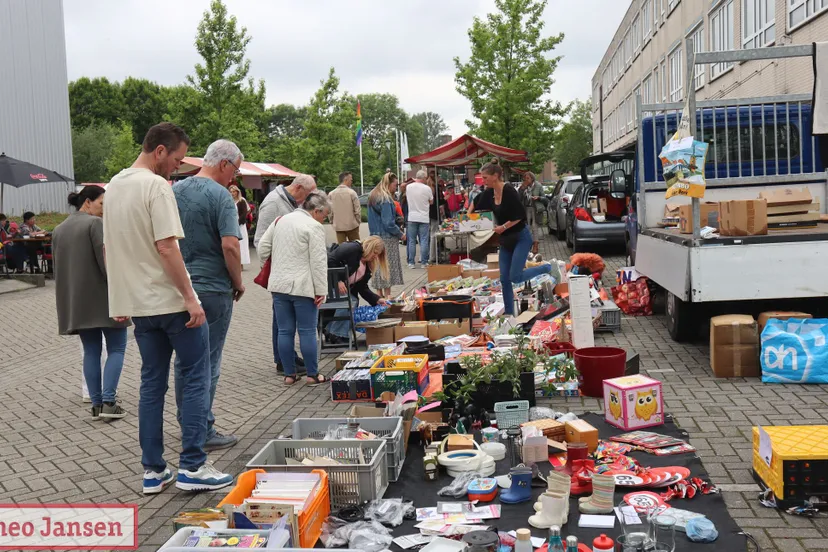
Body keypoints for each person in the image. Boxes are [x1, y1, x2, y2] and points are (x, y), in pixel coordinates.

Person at [103, 122, 233, 494]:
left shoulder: (114, 186)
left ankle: (153, 471)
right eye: (176, 159)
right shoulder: (156, 187)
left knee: (151, 384)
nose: (176, 167)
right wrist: (191, 299)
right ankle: (192, 465)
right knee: (194, 378)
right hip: (173, 304)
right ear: (159, 151)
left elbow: (111, 248)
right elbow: (166, 247)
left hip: (142, 308)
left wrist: (119, 298)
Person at [173, 139, 246, 452]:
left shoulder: (173, 191)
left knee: (183, 362)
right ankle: (202, 428)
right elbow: (230, 245)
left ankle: (187, 422)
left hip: (178, 287)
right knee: (208, 362)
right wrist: (238, 281)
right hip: (213, 288)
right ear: (225, 164)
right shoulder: (221, 196)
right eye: (236, 171)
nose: (235, 178)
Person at [52, 185, 128, 421]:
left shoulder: (59, 229)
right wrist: (123, 292)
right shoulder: (94, 224)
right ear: (87, 202)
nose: (104, 209)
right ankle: (108, 401)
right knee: (116, 348)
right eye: (102, 203)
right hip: (104, 297)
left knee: (91, 351)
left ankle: (96, 404)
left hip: (77, 301)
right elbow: (107, 263)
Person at [257, 191, 330, 386]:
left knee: (284, 331)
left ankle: (289, 375)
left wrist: (275, 266)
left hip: (279, 285)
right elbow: (318, 262)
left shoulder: (280, 220)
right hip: (302, 286)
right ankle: (312, 374)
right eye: (325, 216)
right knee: (306, 331)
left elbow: (263, 247)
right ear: (316, 211)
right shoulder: (313, 227)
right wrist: (321, 290)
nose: (324, 220)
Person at [253, 175, 318, 374]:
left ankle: (288, 359)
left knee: (284, 323)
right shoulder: (273, 203)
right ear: (298, 188)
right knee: (282, 322)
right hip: (283, 275)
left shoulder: (291, 203)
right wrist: (274, 268)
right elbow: (260, 240)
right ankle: (282, 360)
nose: (308, 200)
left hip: (290, 274)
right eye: (308, 195)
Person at [476, 161, 552, 315]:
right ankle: (510, 313)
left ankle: (547, 268)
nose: (483, 181)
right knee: (504, 279)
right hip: (506, 241)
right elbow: (475, 204)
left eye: (485, 178)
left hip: (520, 238)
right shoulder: (489, 192)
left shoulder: (509, 190)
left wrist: (502, 227)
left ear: (495, 176)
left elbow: (519, 216)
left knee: (515, 277)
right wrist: (464, 217)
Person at [325, 236, 390, 344]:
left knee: (353, 299)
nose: (375, 257)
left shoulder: (367, 264)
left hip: (343, 292)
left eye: (377, 255)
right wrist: (338, 281)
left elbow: (362, 288)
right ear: (369, 247)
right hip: (329, 287)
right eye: (375, 253)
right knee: (351, 300)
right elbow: (330, 260)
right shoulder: (353, 249)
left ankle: (332, 330)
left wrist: (377, 299)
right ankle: (336, 333)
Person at [367, 173, 404, 298]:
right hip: (387, 237)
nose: (396, 187)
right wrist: (400, 234)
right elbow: (388, 223)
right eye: (395, 184)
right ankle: (388, 295)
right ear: (389, 184)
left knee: (377, 266)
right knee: (388, 265)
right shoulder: (386, 199)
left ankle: (379, 294)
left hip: (374, 236)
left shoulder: (373, 195)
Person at [405, 170, 433, 269]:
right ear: (424, 178)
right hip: (424, 218)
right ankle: (424, 262)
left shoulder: (409, 187)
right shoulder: (427, 188)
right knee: (424, 240)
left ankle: (411, 263)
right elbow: (431, 201)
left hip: (412, 217)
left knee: (412, 241)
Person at [329, 171, 362, 243]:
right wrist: (358, 221)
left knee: (342, 249)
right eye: (351, 179)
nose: (351, 181)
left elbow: (330, 211)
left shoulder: (331, 194)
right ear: (346, 180)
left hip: (338, 226)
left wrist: (332, 222)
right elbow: (357, 209)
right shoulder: (352, 193)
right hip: (352, 225)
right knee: (356, 247)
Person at [520, 171, 546, 254]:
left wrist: (538, 197)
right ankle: (528, 244)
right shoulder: (524, 186)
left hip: (535, 208)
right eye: (525, 178)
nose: (526, 180)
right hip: (526, 208)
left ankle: (535, 245)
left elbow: (544, 198)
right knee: (526, 227)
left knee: (534, 226)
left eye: (528, 178)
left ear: (532, 178)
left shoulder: (538, 185)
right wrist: (522, 189)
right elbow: (519, 197)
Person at [229, 185, 251, 267]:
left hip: (240, 225)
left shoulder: (242, 201)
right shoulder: (229, 201)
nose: (232, 193)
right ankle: (234, 263)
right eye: (231, 192)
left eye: (234, 192)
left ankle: (241, 263)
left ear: (237, 192)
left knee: (242, 244)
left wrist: (238, 222)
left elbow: (245, 213)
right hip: (231, 225)